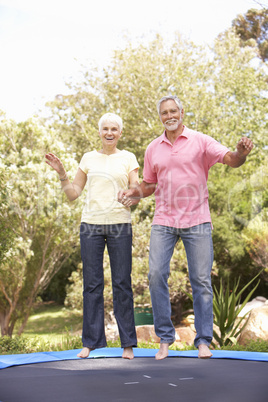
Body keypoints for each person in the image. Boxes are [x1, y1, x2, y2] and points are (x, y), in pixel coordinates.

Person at [119, 95, 253, 360]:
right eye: (164, 113)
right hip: (164, 221)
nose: (169, 116)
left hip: (197, 220)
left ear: (181, 112)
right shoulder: (153, 148)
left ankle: (203, 340)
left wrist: (241, 153)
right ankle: (165, 339)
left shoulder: (200, 141)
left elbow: (230, 159)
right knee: (156, 275)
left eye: (173, 111)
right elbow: (148, 185)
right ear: (160, 117)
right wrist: (132, 194)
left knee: (201, 281)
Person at [46, 113, 139, 360]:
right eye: (105, 129)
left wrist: (133, 194)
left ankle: (127, 344)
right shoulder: (88, 158)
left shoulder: (128, 158)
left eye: (114, 129)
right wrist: (62, 173)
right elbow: (73, 193)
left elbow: (136, 188)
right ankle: (91, 342)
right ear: (99, 132)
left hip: (120, 225)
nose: (110, 133)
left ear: (120, 133)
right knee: (92, 284)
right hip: (91, 226)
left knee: (122, 283)